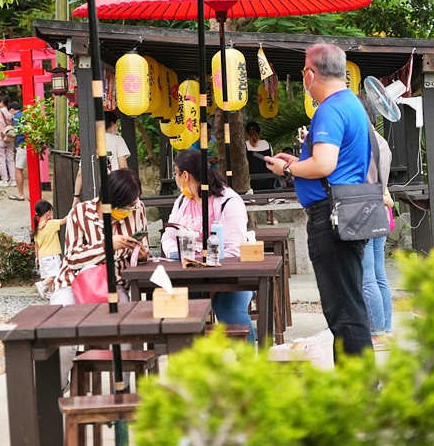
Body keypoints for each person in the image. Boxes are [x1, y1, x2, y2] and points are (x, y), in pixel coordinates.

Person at [265, 43, 373, 360]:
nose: (303, 78)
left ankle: (359, 391)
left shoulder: (329, 108)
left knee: (343, 308)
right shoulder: (352, 104)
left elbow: (324, 165)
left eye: (303, 72)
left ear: (311, 73)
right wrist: (298, 163)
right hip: (346, 210)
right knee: (348, 303)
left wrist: (287, 167)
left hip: (331, 216)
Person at [50, 168, 149, 383]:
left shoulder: (138, 207)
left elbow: (143, 249)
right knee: (63, 340)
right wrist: (107, 245)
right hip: (73, 283)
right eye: (126, 207)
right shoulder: (80, 214)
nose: (131, 209)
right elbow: (71, 259)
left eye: (134, 205)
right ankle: (57, 390)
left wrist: (141, 254)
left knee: (125, 336)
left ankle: (121, 397)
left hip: (115, 285)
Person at [162, 148, 254, 342]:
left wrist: (210, 283)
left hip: (230, 278)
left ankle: (250, 365)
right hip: (189, 277)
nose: (175, 179)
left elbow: (234, 250)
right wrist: (174, 253)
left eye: (176, 174)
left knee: (232, 316)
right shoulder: (182, 202)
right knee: (177, 314)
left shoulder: (228, 201)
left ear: (185, 175)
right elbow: (168, 236)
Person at [358, 95, 396, 350]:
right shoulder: (381, 141)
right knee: (380, 275)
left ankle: (377, 332)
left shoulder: (360, 142)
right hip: (381, 211)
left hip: (363, 211)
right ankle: (387, 329)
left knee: (367, 277)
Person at [71, 111, 130, 201]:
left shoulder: (90, 142)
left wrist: (76, 197)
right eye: (116, 124)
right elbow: (123, 168)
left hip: (93, 190)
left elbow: (80, 173)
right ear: (111, 124)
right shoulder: (118, 140)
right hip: (114, 188)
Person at [32, 200, 66, 299]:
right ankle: (42, 285)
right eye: (51, 211)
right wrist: (74, 211)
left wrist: (37, 256)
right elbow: (64, 221)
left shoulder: (37, 227)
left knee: (50, 276)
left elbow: (36, 245)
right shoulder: (50, 224)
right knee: (55, 274)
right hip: (51, 255)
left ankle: (52, 294)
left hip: (42, 256)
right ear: (48, 212)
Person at [245, 122, 275, 191]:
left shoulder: (245, 145)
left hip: (252, 181)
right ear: (259, 132)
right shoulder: (268, 144)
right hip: (268, 181)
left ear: (246, 134)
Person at [9, 101, 27, 202]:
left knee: (18, 169)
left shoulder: (16, 117)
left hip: (22, 144)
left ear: (12, 109)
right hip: (30, 144)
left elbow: (18, 131)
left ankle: (20, 194)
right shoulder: (25, 114)